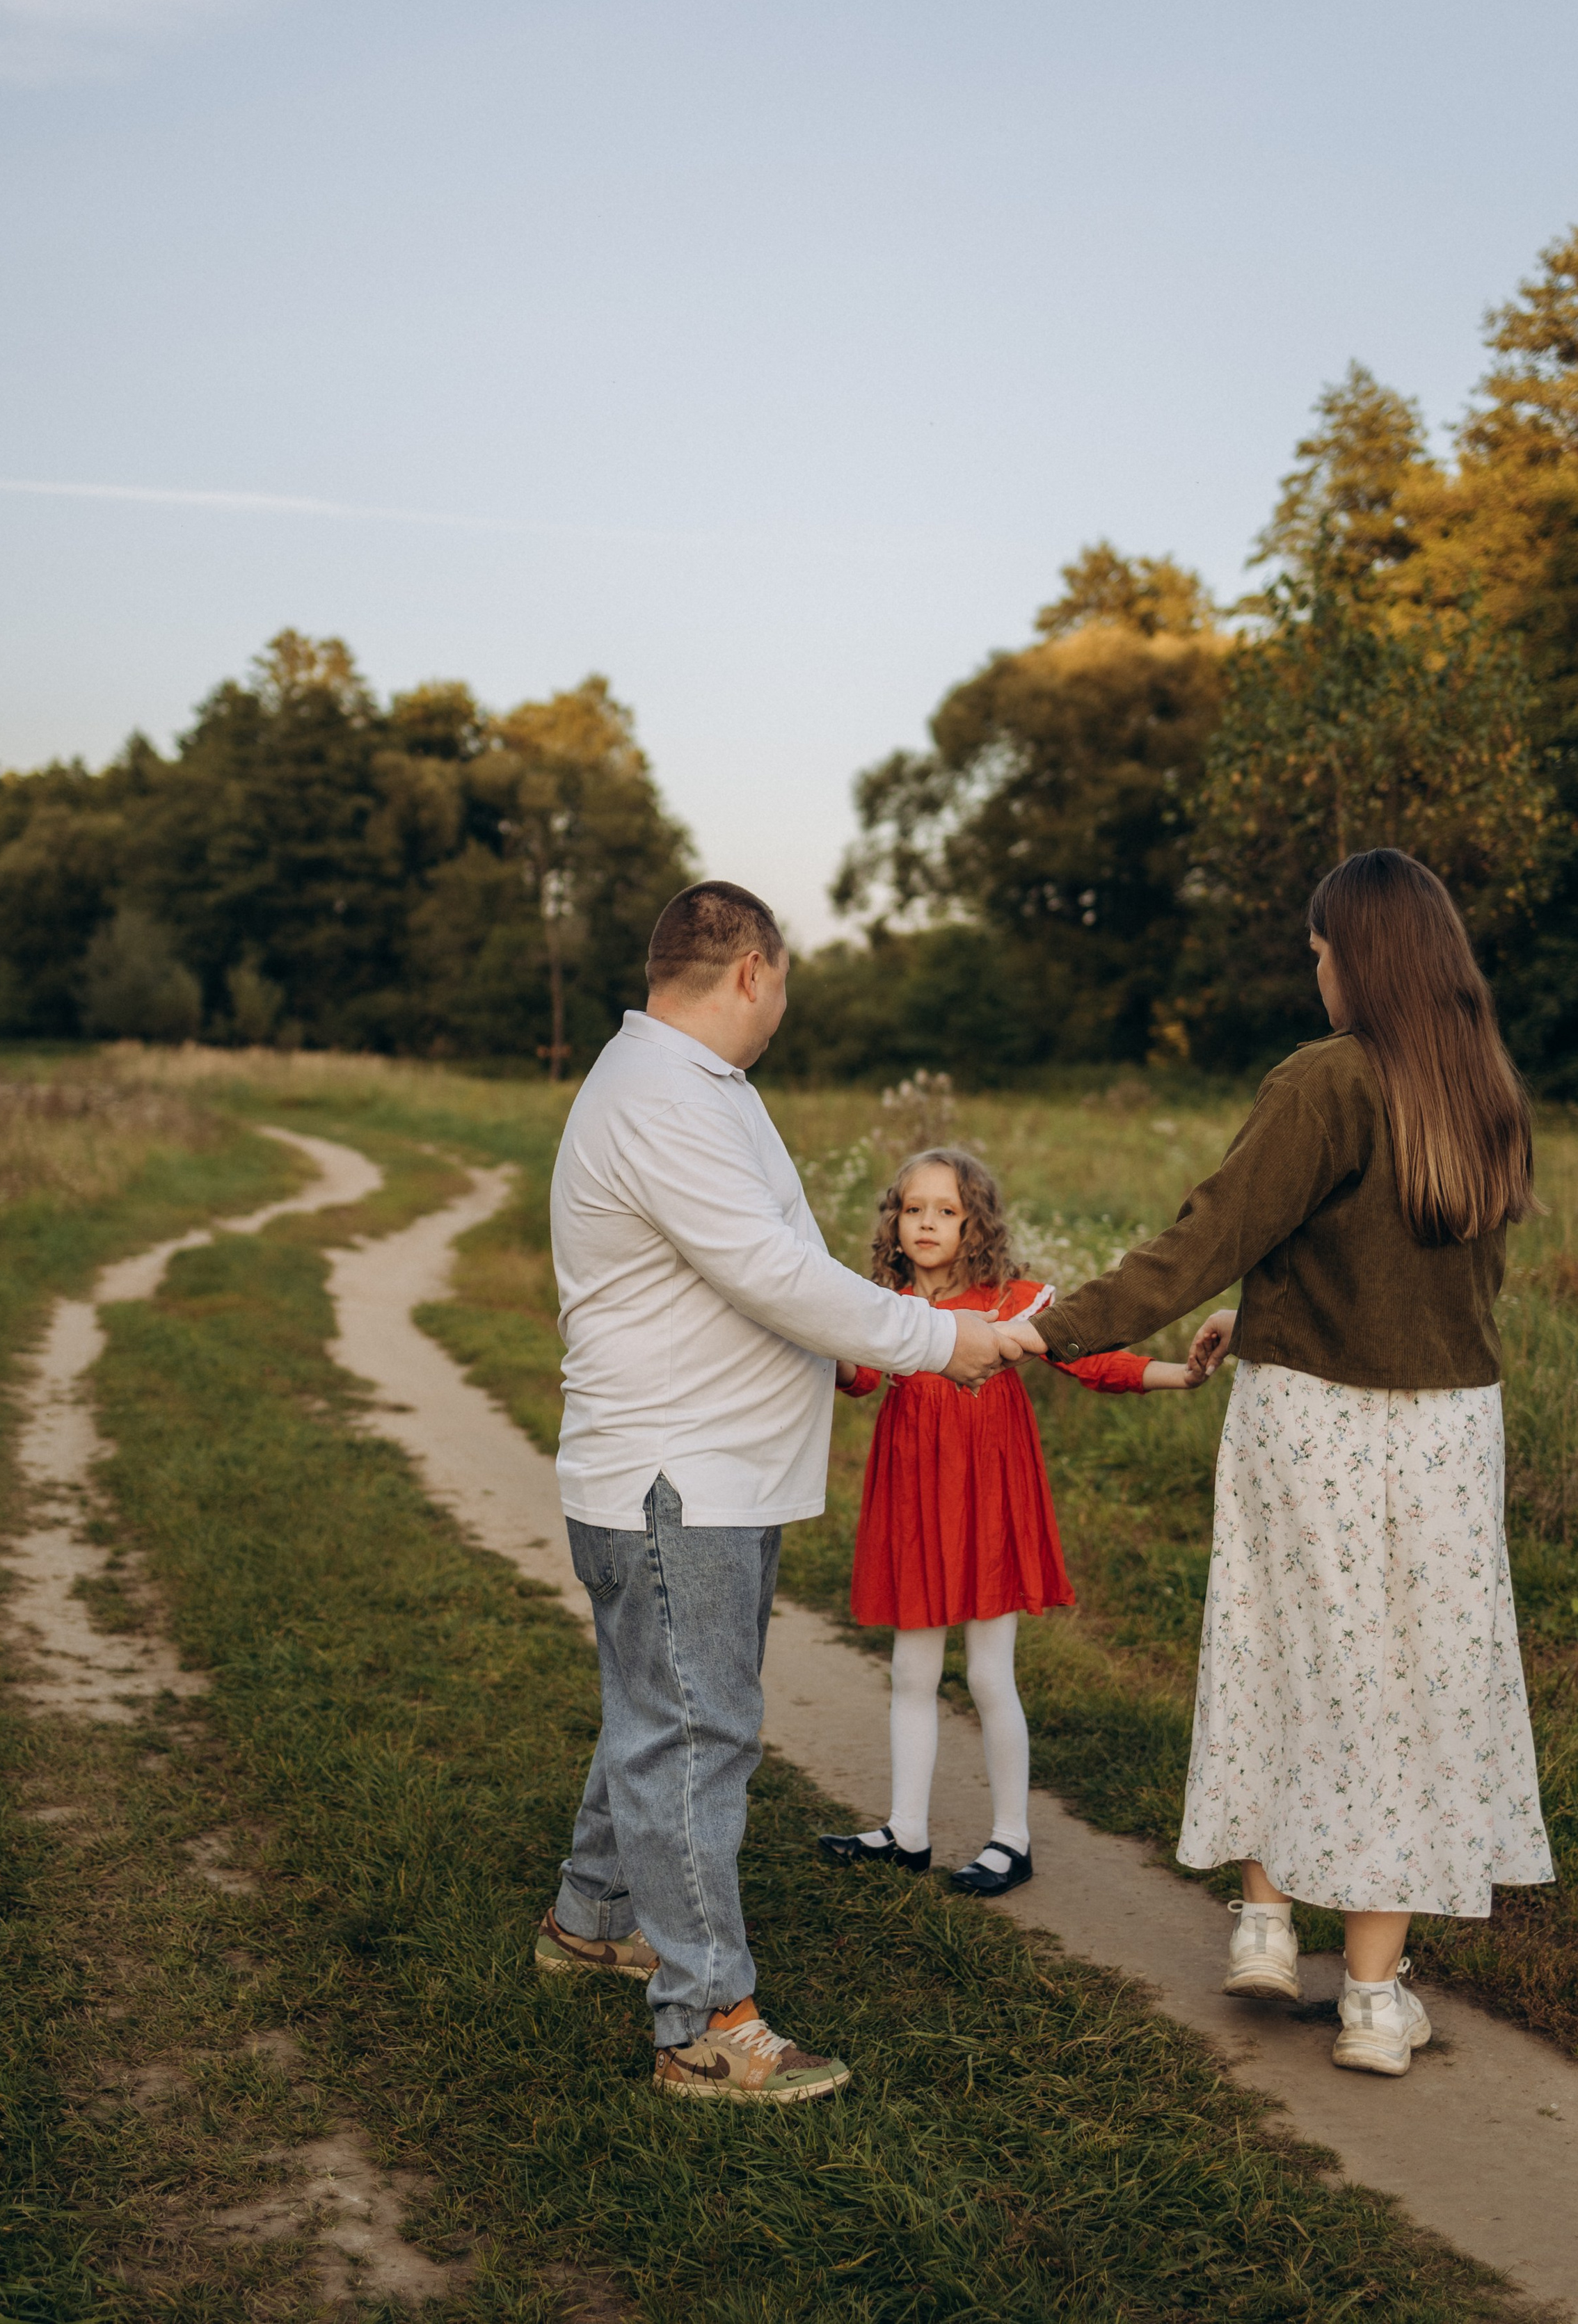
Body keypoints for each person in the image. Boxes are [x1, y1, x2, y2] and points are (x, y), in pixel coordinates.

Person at [996, 849, 1554, 2078]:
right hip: (1449, 1433)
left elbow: (1210, 1234)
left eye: (1318, 952)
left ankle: (1264, 1921)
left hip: (1315, 1427)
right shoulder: (1486, 1090)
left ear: (1357, 955)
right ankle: (1366, 1997)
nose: (1316, 973)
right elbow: (1422, 1282)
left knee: (1285, 1643)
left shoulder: (1324, 1082)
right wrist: (1262, 1315)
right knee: (1410, 1688)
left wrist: (1054, 1327)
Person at [536, 881, 1016, 2102]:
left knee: (665, 1711)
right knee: (694, 1732)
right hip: (672, 1479)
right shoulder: (657, 1096)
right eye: (785, 981)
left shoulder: (699, 1089)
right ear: (750, 970)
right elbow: (767, 1272)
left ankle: (593, 1919)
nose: (783, 1002)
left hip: (712, 1476)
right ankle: (706, 2023)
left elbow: (784, 1266)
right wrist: (931, 1337)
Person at [818, 1146, 1209, 1896]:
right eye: (912, 1209)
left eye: (946, 1211)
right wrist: (820, 1343)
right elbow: (861, 1377)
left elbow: (1092, 1360)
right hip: (912, 1501)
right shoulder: (884, 1304)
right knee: (911, 1669)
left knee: (991, 1675)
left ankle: (1011, 1839)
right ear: (893, 1222)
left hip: (988, 1502)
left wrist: (1180, 1375)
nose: (926, 1223)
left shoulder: (1012, 1303)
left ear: (977, 1226)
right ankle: (907, 1832)